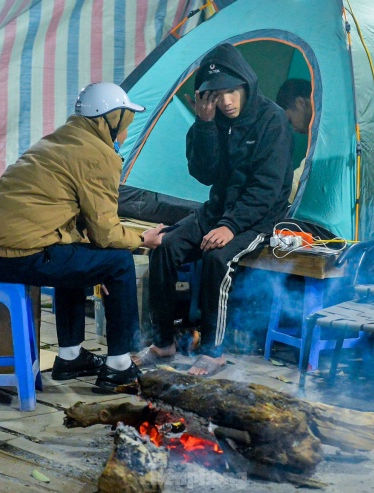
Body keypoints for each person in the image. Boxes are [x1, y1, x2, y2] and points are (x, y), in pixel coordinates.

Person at [0, 82, 163, 393]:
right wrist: (143, 239)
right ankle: (119, 365)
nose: (126, 130)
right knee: (120, 263)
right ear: (109, 119)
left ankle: (70, 357)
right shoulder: (97, 153)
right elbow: (105, 231)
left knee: (73, 251)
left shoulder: (58, 141)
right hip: (18, 256)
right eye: (125, 120)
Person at [134, 43, 293, 376]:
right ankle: (164, 343)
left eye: (233, 91)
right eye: (217, 95)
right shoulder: (214, 119)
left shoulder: (272, 121)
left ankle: (213, 351)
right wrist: (204, 126)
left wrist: (231, 226)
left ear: (246, 85)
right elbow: (204, 174)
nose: (227, 102)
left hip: (260, 219)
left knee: (217, 258)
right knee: (164, 248)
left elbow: (266, 189)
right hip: (218, 209)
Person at [276, 78, 315, 202]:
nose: (293, 129)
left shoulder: (331, 127)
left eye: (290, 121)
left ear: (300, 103)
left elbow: (303, 178)